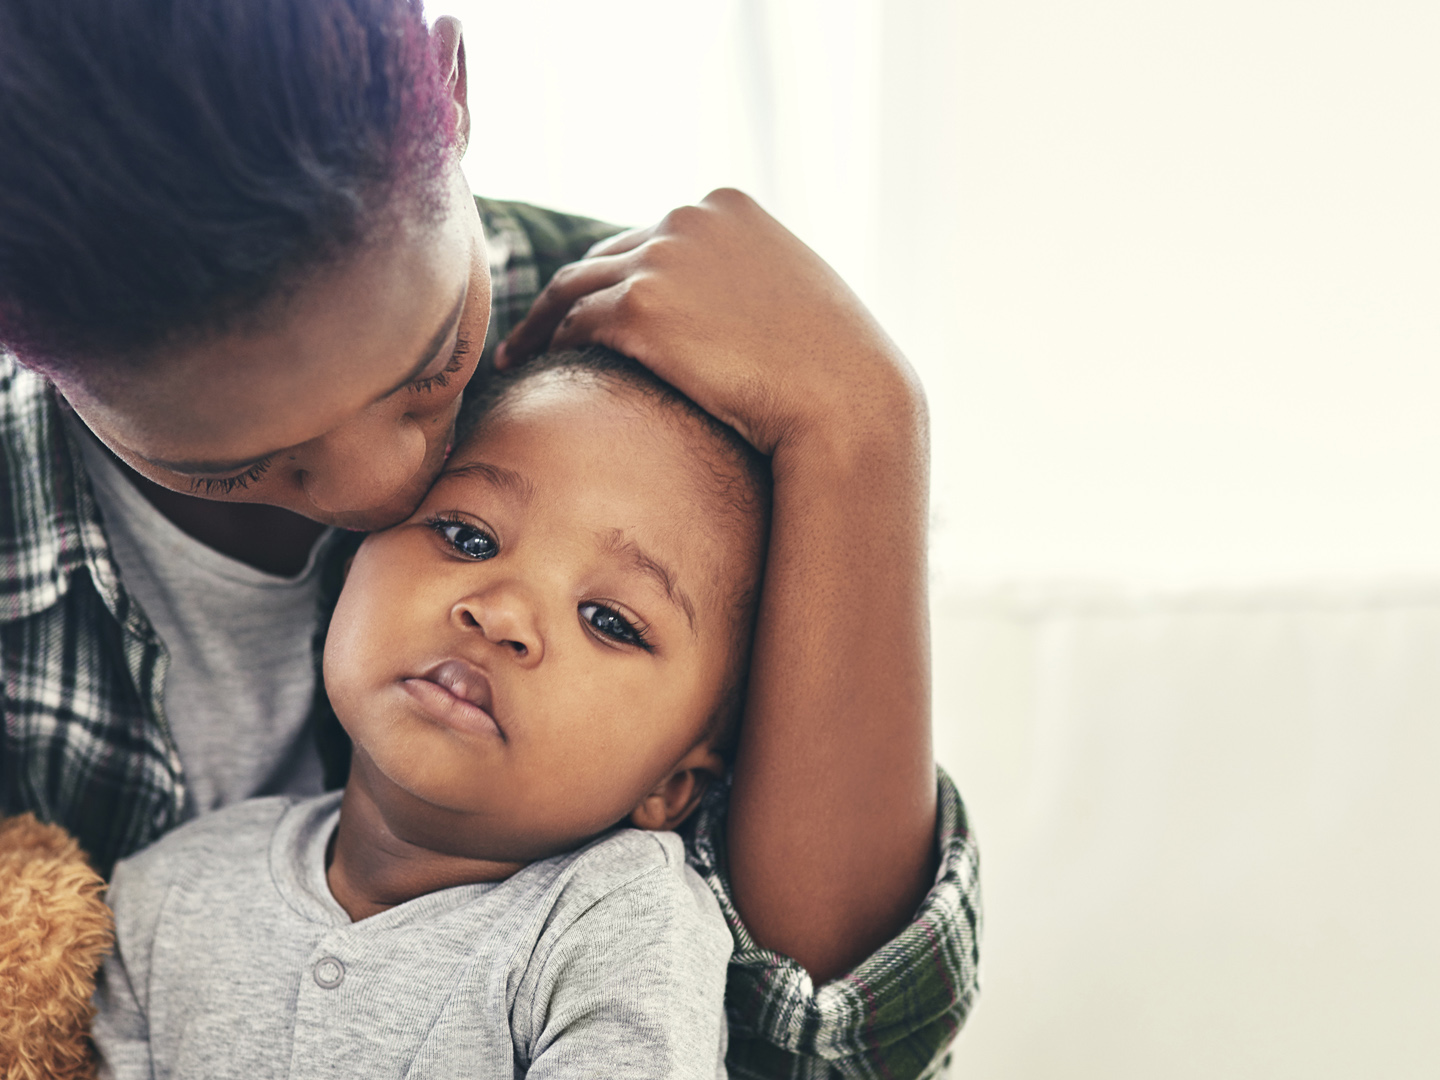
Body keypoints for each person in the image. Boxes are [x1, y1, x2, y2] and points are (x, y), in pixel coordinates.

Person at [0, 1, 979, 1075]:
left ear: (453, 87)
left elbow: (827, 1051)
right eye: (238, 464)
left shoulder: (665, 388)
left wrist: (866, 421)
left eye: (434, 364)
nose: (391, 488)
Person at [92, 348, 769, 1078]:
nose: (502, 611)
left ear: (671, 785)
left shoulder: (619, 919)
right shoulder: (166, 895)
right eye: (469, 537)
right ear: (350, 563)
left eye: (607, 619)